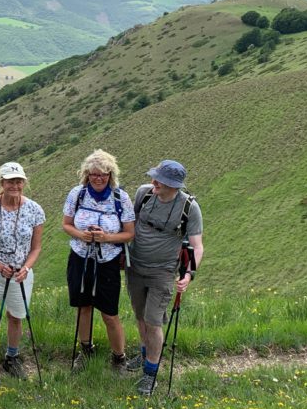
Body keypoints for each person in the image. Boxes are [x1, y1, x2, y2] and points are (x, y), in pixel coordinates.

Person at [126, 160, 204, 396]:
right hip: (135, 268)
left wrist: (189, 274)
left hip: (163, 272)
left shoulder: (189, 208)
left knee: (153, 321)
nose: (153, 183)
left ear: (173, 185)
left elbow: (197, 246)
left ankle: (151, 373)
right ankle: (145, 355)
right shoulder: (143, 194)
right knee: (140, 316)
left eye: (159, 180)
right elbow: (129, 225)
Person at [61, 149, 135, 372]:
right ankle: (86, 351)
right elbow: (66, 224)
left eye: (103, 174)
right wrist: (81, 235)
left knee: (109, 313)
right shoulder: (78, 194)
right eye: (94, 174)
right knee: (83, 307)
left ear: (111, 174)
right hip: (80, 257)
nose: (99, 178)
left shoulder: (120, 197)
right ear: (86, 174)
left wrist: (106, 238)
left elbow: (130, 233)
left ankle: (119, 357)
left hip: (108, 261)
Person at [0, 162, 45, 379]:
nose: (15, 185)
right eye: (10, 181)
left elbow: (36, 247)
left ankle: (11, 358)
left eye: (19, 181)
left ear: (24, 183)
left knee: (16, 317)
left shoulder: (34, 209)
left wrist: (26, 268)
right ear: (1, 182)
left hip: (21, 273)